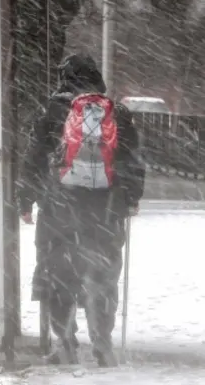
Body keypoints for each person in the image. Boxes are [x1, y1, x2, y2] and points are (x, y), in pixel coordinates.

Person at [18, 53, 145, 367]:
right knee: (102, 275)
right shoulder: (118, 114)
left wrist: (26, 198)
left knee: (58, 274)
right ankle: (102, 343)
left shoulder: (54, 112)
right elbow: (132, 160)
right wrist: (129, 197)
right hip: (106, 210)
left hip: (60, 207)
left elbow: (34, 158)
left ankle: (65, 343)